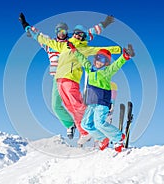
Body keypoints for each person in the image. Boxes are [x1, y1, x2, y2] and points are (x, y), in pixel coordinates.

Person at [19, 13, 118, 145]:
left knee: (76, 104)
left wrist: (105, 24)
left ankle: (94, 122)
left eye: (65, 30)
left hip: (70, 77)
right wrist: (26, 25)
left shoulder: (76, 44)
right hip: (57, 78)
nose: (62, 33)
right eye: (60, 31)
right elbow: (39, 37)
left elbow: (92, 35)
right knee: (61, 106)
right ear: (56, 32)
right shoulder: (54, 45)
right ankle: (76, 127)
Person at [67, 42, 135, 152]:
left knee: (99, 123)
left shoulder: (107, 71)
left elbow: (116, 65)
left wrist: (125, 57)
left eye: (103, 60)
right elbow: (82, 59)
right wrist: (75, 50)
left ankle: (118, 137)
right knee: (85, 124)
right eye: (98, 58)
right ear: (95, 59)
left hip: (102, 103)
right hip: (91, 103)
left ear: (106, 63)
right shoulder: (90, 69)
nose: (99, 62)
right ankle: (103, 138)